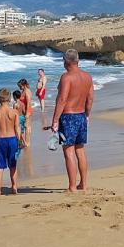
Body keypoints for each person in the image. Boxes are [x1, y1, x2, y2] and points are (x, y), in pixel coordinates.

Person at [47, 48, 94, 192]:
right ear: (77, 60)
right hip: (81, 115)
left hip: (68, 116)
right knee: (80, 149)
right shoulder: (87, 76)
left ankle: (72, 186)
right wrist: (87, 114)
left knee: (69, 152)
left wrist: (55, 120)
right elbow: (90, 97)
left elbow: (62, 99)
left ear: (65, 61)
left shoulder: (66, 77)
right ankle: (83, 184)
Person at [0, 88, 21, 196]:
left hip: (1, 140)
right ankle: (14, 187)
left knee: (0, 167)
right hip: (12, 140)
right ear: (10, 99)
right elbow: (17, 128)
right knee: (13, 165)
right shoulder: (14, 112)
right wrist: (21, 140)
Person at [15, 80, 33, 148]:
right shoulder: (24, 91)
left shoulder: (27, 91)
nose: (19, 87)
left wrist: (27, 113)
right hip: (24, 111)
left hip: (27, 111)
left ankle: (27, 143)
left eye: (20, 86)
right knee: (27, 126)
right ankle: (26, 142)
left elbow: (28, 103)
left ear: (24, 85)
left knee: (26, 126)